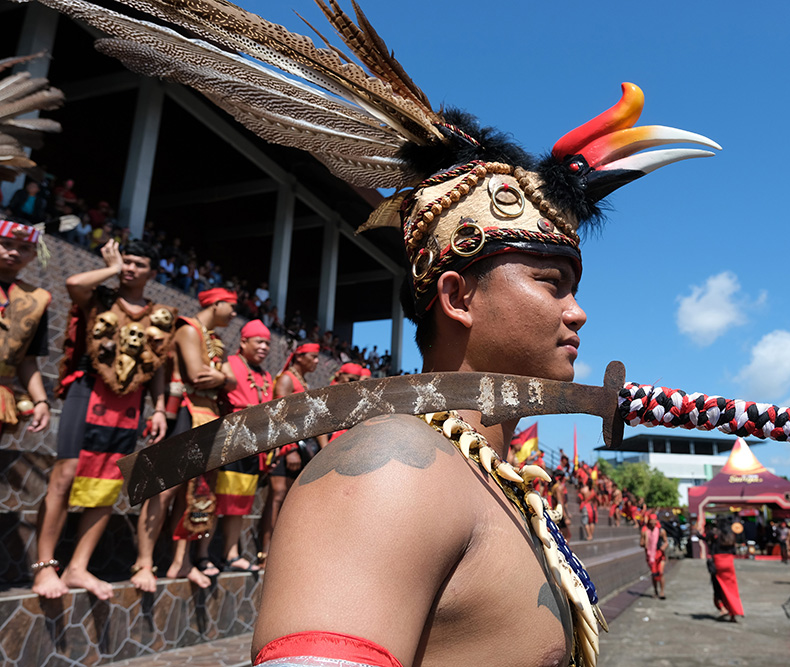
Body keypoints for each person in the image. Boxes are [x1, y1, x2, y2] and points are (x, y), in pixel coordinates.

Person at [42, 1, 718, 663]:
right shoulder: (393, 472)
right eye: (552, 283)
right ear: (458, 297)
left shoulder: (486, 477)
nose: (578, 313)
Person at [32, 239, 174, 599]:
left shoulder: (159, 314)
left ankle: (78, 567)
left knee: (109, 483)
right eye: (127, 261)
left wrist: (159, 407)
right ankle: (45, 567)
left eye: (138, 264)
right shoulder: (100, 298)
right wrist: (110, 268)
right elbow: (73, 284)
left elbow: (157, 366)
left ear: (152, 273)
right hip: (89, 388)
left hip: (129, 402)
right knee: (65, 474)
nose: (130, 268)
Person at [129, 287, 236, 592]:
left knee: (194, 492)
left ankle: (182, 561)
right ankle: (144, 562)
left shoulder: (214, 339)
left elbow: (231, 381)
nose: (234, 313)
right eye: (231, 306)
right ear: (216, 304)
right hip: (184, 413)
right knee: (164, 490)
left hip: (207, 416)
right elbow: (198, 374)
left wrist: (222, 379)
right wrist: (222, 378)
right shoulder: (188, 329)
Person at [258, 342, 329, 559]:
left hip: (300, 448)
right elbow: (279, 415)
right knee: (277, 495)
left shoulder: (302, 381)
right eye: (313, 356)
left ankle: (279, 551)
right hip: (285, 448)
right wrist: (289, 450)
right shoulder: (287, 379)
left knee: (288, 497)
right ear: (299, 357)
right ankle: (265, 552)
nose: (316, 361)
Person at [214, 319, 273, 570]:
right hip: (229, 440)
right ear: (244, 341)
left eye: (267, 343)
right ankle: (202, 554)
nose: (264, 347)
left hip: (253, 445)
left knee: (240, 502)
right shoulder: (228, 365)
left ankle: (231, 553)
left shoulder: (266, 375)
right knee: (216, 499)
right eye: (259, 342)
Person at [0, 220, 52, 435]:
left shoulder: (37, 299)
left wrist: (41, 401)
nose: (14, 252)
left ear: (33, 255)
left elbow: (28, 359)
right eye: (6, 244)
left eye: (24, 248)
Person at [709, 524, 745, 622]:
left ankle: (723, 608)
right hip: (729, 563)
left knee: (718, 587)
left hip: (718, 562)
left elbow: (711, 549)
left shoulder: (717, 537)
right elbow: (734, 551)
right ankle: (734, 613)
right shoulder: (730, 538)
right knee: (731, 589)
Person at [640, 512, 666, 599]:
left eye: (654, 520)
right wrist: (644, 543)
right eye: (651, 520)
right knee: (654, 574)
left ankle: (662, 592)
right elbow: (641, 543)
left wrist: (664, 546)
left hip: (660, 554)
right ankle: (656, 591)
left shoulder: (661, 531)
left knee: (660, 573)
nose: (653, 522)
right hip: (650, 555)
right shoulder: (645, 531)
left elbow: (666, 542)